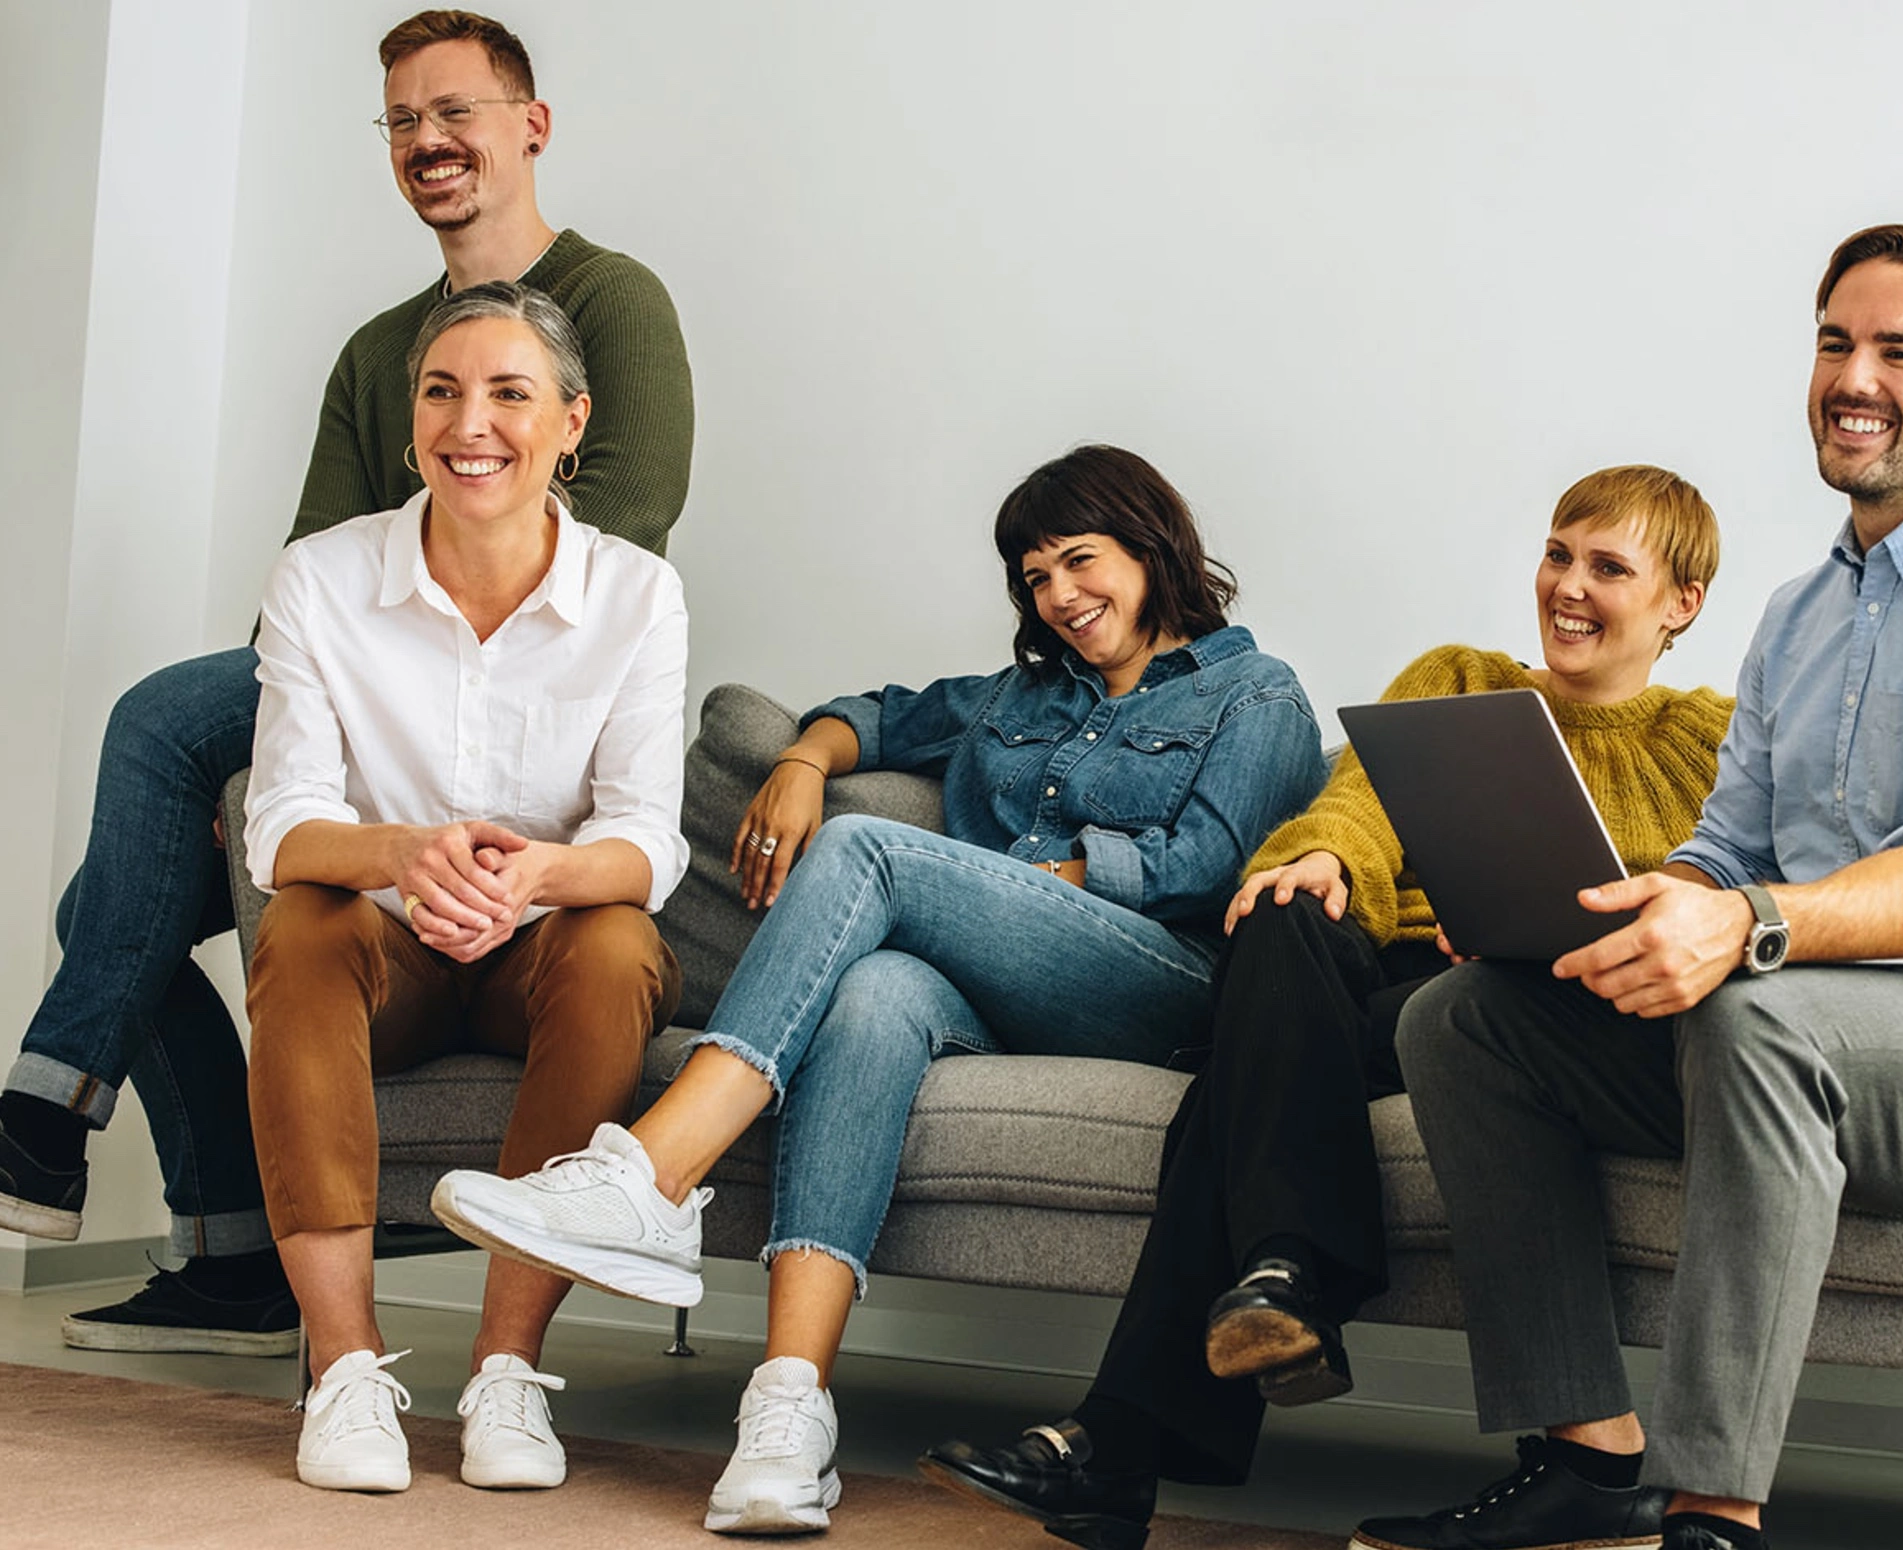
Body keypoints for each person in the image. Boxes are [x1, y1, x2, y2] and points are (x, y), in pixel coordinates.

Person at [1349, 225, 1903, 1550]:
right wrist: (1590, 909)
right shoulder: (1798, 614)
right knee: (1466, 1014)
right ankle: (1585, 1461)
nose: (1856, 376)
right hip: (1799, 1023)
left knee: (1749, 1008)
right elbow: (1723, 850)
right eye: (1837, 342)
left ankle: (1711, 1510)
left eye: (1902, 349)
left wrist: (1748, 924)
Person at [427, 444, 1328, 1535]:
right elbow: (877, 711)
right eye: (1035, 577)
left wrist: (1013, 881)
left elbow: (1208, 861)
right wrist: (805, 759)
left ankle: (649, 1179)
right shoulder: (1016, 695)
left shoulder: (1253, 690)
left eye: (1081, 562)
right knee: (877, 994)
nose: (1060, 597)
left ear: (1153, 546)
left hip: (1159, 985)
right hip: (998, 986)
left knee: (869, 852)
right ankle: (788, 1415)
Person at [0, 7, 694, 1359]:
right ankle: (234, 1250)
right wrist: (278, 768)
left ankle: (49, 1114)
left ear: (529, 127)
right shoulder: (379, 351)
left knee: (143, 760)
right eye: (402, 121)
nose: (429, 142)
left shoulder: (616, 303)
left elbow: (618, 524)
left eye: (458, 114)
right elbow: (310, 576)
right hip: (370, 693)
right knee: (115, 903)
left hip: (531, 683)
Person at [918, 465, 1736, 1550]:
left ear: (1680, 601)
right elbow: (1356, 801)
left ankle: (1157, 1405)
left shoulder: (1714, 737)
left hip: (1526, 1014)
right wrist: (1316, 853)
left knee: (1236, 1084)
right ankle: (1279, 1277)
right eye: (1556, 553)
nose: (1568, 585)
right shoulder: (1458, 677)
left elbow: (1719, 895)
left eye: (1607, 566)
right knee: (1280, 920)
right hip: (1372, 976)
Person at [244, 281, 688, 1494]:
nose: (470, 421)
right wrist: (401, 853)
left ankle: (506, 1371)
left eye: (508, 392)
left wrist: (538, 873)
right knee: (301, 918)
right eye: (442, 391)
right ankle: (343, 1372)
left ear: (572, 420)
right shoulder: (320, 579)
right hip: (386, 950)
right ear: (411, 418)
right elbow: (280, 820)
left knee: (614, 942)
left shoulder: (637, 594)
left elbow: (648, 838)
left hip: (533, 949)